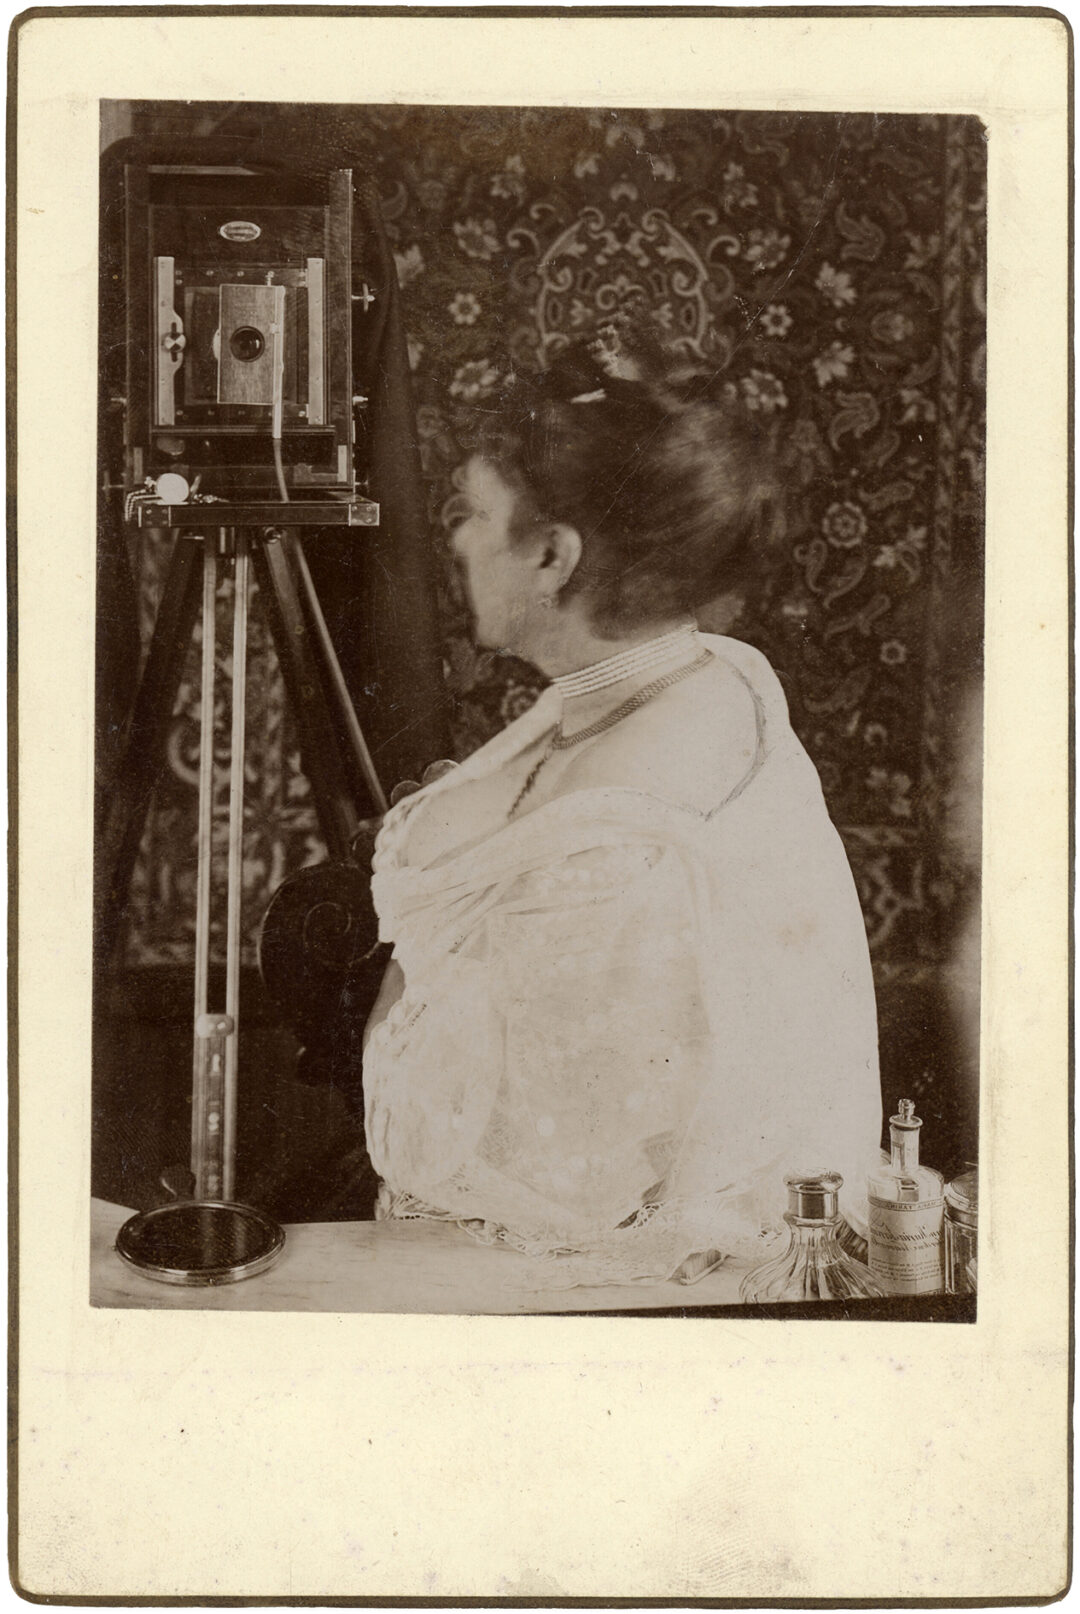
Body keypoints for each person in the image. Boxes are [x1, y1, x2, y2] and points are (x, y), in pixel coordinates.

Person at [360, 327, 883, 1289]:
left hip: (602, 1287)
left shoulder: (627, 840)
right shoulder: (704, 669)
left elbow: (503, 1154)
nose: (457, 539)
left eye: (475, 514)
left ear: (553, 555)